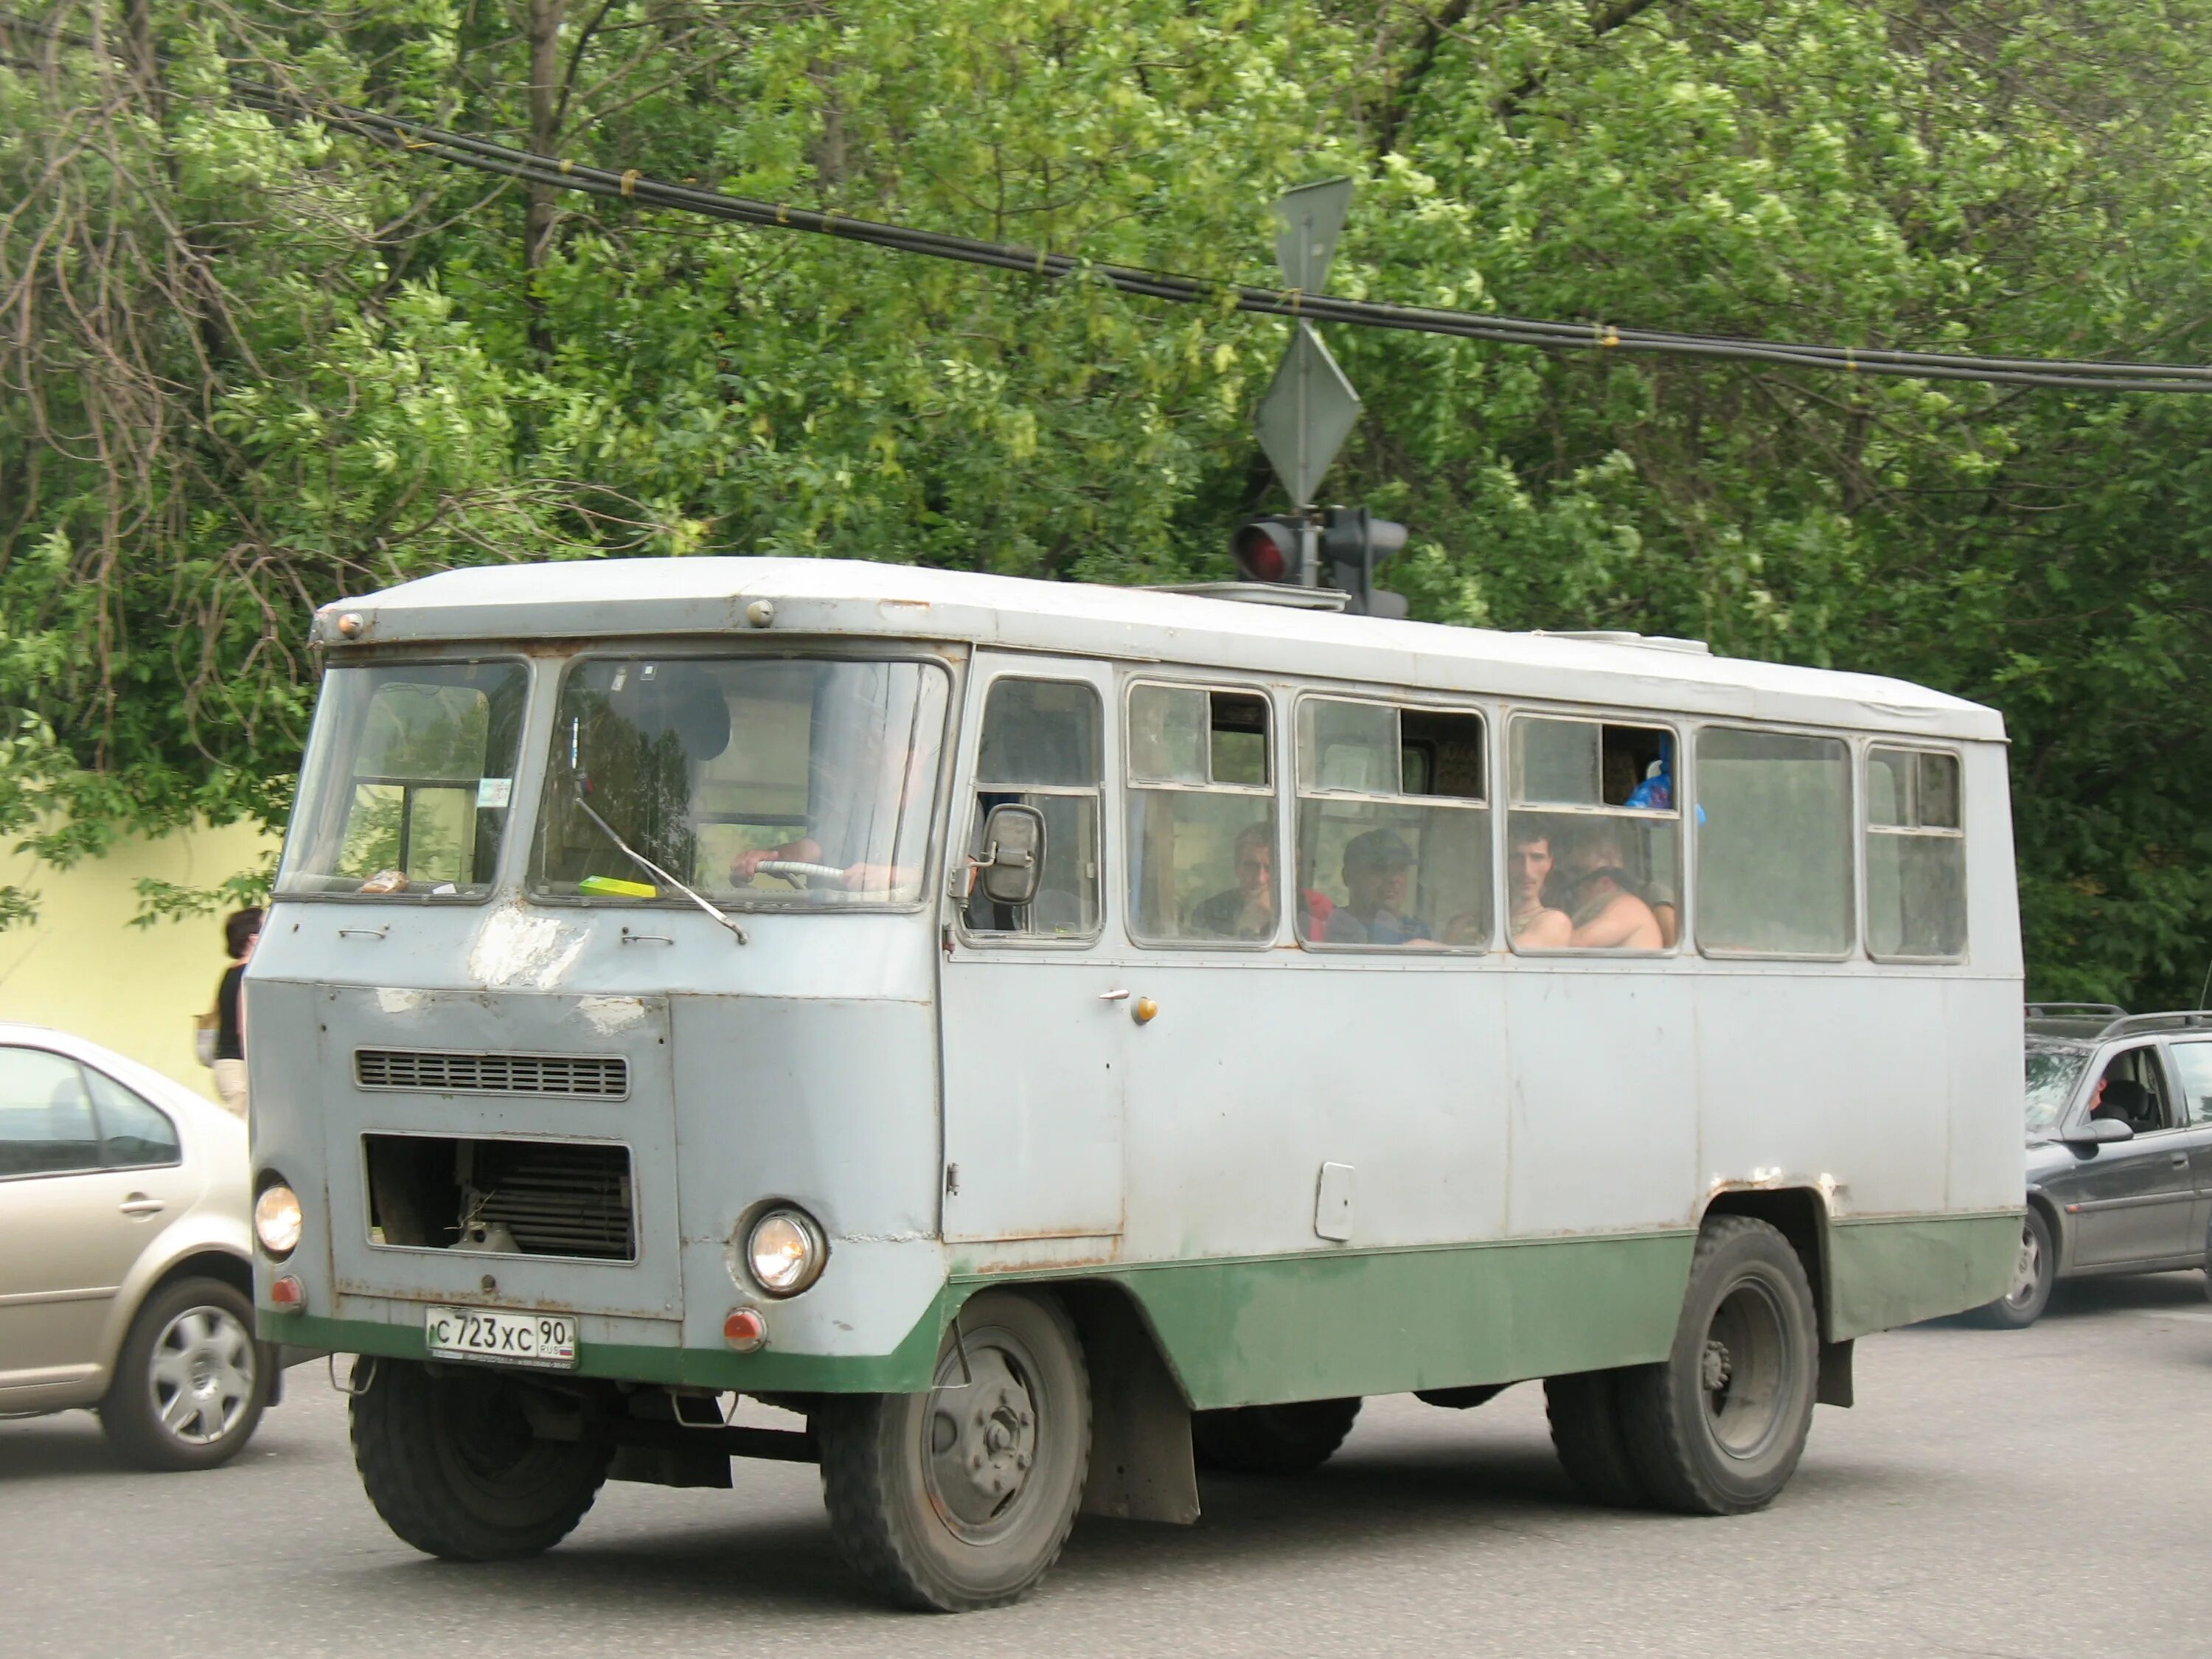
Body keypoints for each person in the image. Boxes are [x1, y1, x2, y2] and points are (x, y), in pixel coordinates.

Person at [1558, 821, 1663, 950]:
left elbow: (1576, 943)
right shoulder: (1598, 910)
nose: (1570, 884)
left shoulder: (1628, 909)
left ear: (1606, 880)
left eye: (1577, 871)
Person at [1325, 829, 1432, 945]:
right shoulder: (1325, 925)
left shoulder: (1419, 932)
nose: (1395, 879)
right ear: (1348, 876)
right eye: (1381, 869)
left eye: (1401, 869)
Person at [1188, 822, 1277, 940]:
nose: (1260, 879)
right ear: (1237, 868)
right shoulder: (1210, 912)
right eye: (1251, 866)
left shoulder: (1304, 914)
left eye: (1270, 869)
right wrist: (1248, 926)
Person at [211, 908, 260, 1119]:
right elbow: (244, 1025)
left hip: (227, 1064)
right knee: (240, 1130)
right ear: (253, 938)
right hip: (239, 1066)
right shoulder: (249, 974)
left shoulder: (231, 972)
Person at [1504, 821, 1572, 947]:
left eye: (1537, 858)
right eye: (1516, 858)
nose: (1526, 871)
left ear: (1549, 863)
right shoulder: (1468, 922)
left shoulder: (1554, 922)